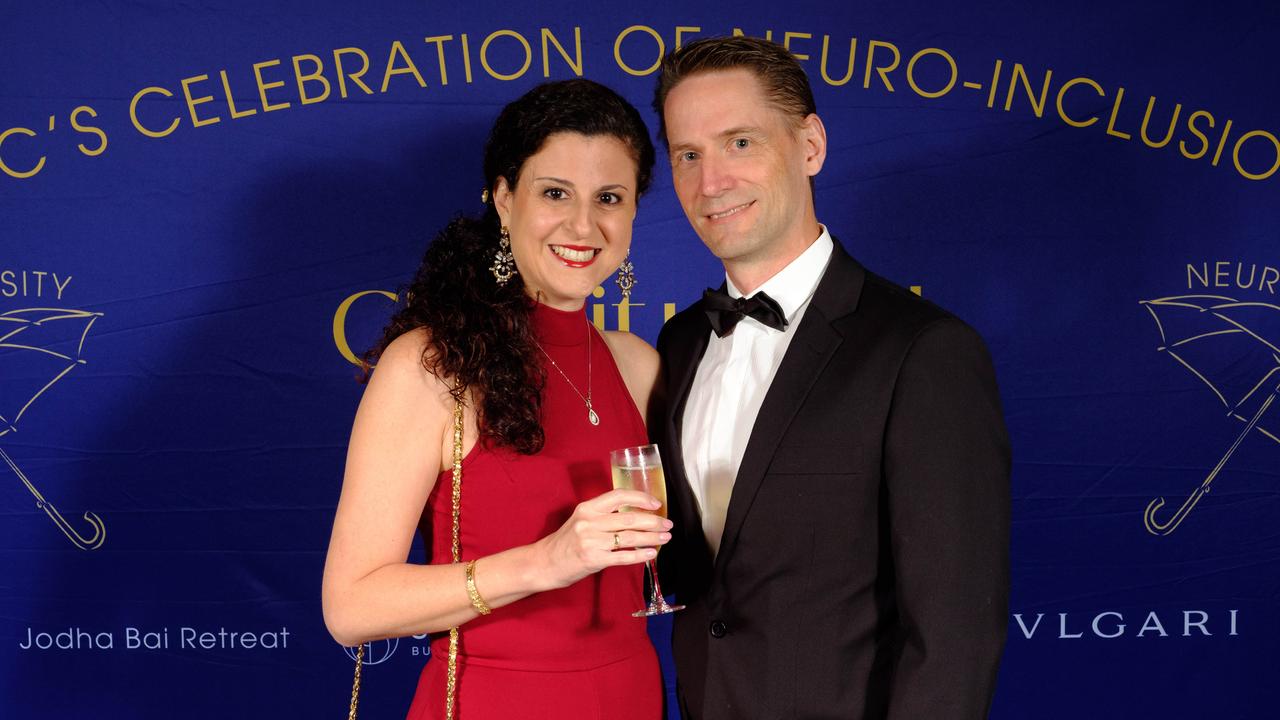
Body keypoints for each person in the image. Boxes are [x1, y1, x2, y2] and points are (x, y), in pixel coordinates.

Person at [650, 37, 1012, 719]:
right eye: (687, 155)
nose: (710, 182)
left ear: (810, 145)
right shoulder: (680, 342)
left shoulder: (925, 351)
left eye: (740, 143)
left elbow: (954, 635)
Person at [322, 79, 668, 720]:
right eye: (555, 192)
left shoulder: (637, 364)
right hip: (496, 699)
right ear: (505, 200)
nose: (583, 224)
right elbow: (351, 608)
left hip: (631, 694)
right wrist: (546, 562)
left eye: (610, 198)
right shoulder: (432, 365)